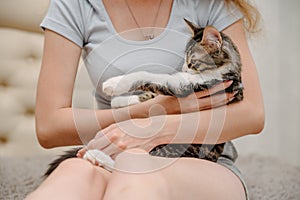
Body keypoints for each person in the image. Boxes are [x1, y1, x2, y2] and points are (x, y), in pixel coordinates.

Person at [26, 0, 264, 199]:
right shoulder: (75, 4)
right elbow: (49, 126)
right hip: (115, 150)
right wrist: (149, 113)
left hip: (202, 161)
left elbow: (252, 114)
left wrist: (157, 130)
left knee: (136, 167)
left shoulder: (209, 3)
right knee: (74, 175)